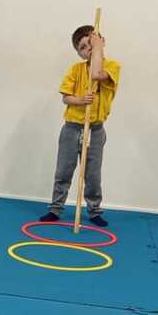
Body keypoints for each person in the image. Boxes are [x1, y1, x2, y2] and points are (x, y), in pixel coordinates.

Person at [42, 24, 120, 226]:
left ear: (102, 42)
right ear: (79, 53)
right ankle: (55, 208)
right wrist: (80, 100)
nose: (89, 49)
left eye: (91, 43)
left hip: (95, 129)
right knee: (63, 171)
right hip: (72, 128)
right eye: (83, 47)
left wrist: (98, 48)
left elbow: (96, 74)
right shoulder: (75, 70)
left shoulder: (112, 67)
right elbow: (65, 97)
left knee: (92, 174)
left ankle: (94, 211)